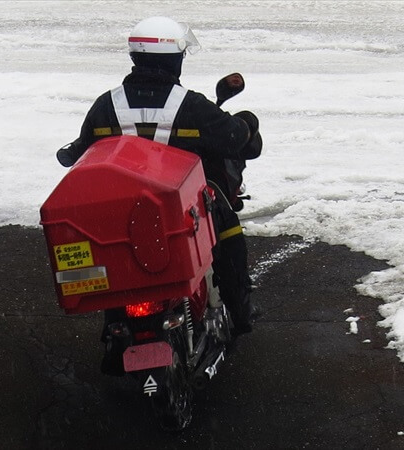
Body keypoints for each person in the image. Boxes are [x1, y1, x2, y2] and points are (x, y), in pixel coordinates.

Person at [55, 16, 262, 374]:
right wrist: (248, 124)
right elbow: (234, 139)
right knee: (229, 236)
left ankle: (114, 333)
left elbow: (78, 151)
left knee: (115, 258)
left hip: (121, 216)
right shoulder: (191, 105)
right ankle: (240, 314)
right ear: (174, 60)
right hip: (180, 213)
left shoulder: (107, 105)